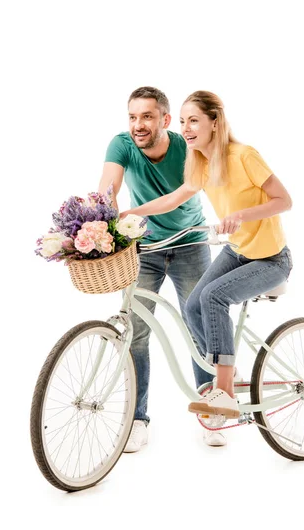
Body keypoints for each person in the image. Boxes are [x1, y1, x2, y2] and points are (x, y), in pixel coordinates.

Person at [120, 90, 293, 419]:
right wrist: (131, 213)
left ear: (215, 122)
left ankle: (224, 391)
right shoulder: (200, 160)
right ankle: (225, 366)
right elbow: (176, 197)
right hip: (238, 251)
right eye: (183, 121)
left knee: (213, 297)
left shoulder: (244, 155)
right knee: (193, 306)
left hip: (271, 259)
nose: (186, 128)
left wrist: (242, 215)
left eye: (194, 120)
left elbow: (284, 200)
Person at [99, 87, 229, 451]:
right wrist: (100, 222)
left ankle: (211, 410)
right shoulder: (122, 145)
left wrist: (133, 212)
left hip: (190, 244)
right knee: (136, 332)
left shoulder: (187, 146)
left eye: (147, 117)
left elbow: (184, 194)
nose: (138, 125)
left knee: (199, 327)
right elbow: (107, 189)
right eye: (133, 117)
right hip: (146, 249)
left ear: (165, 120)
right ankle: (137, 419)